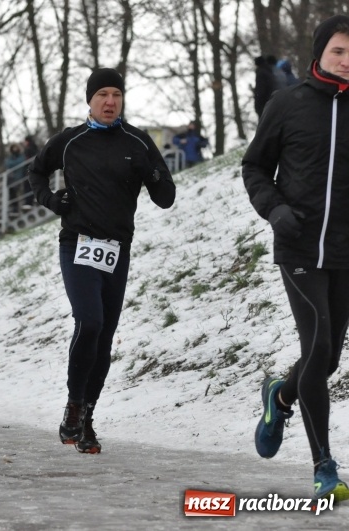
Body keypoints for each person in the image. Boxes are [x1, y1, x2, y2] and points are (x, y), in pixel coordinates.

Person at [28, 68, 175, 454]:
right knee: (89, 321)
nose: (110, 102)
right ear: (90, 100)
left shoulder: (138, 141)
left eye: (117, 94)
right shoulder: (71, 140)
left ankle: (88, 419)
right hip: (77, 242)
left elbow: (166, 196)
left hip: (117, 248)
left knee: (105, 337)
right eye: (103, 95)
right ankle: (74, 406)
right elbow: (36, 171)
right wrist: (50, 199)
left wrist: (153, 172)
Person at [242, 15, 349, 502]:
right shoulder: (287, 103)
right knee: (320, 345)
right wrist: (275, 208)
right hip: (300, 246)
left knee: (322, 361)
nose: (346, 62)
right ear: (320, 53)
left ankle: (279, 396)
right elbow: (255, 166)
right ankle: (324, 465)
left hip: (346, 252)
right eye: (339, 52)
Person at [4, 143, 26, 213]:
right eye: (13, 148)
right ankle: (14, 209)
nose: (14, 149)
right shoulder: (10, 157)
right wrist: (12, 164)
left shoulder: (21, 156)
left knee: (18, 193)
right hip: (11, 178)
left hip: (18, 177)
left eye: (16, 148)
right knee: (12, 194)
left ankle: (18, 208)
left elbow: (20, 162)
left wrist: (12, 164)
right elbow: (7, 163)